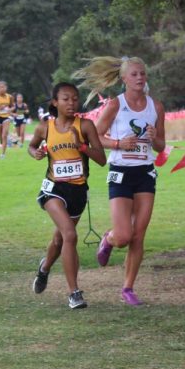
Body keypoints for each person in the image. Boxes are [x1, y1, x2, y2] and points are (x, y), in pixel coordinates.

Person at [78, 57, 166, 306]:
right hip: (121, 173)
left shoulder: (156, 106)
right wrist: (117, 143)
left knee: (139, 236)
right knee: (124, 235)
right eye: (135, 74)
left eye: (143, 74)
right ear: (124, 79)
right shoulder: (116, 105)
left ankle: (128, 288)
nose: (140, 78)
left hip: (145, 173)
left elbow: (160, 147)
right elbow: (94, 135)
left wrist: (153, 137)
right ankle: (109, 239)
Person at [28, 82, 106, 309]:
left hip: (78, 191)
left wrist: (81, 146)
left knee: (60, 239)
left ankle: (44, 268)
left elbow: (101, 159)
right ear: (55, 102)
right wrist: (37, 153)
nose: (71, 102)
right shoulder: (45, 127)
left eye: (74, 98)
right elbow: (32, 147)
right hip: (53, 189)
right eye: (65, 99)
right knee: (70, 235)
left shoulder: (86, 126)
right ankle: (74, 293)